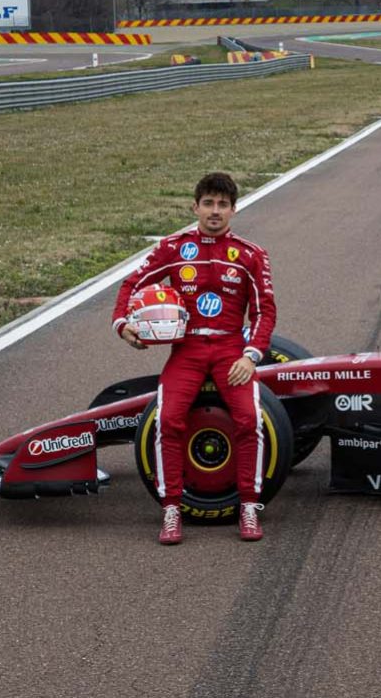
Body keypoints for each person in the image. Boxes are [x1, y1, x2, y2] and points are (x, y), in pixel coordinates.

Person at [113, 172, 277, 545]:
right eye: (208, 203)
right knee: (168, 420)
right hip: (185, 352)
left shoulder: (251, 255)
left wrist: (251, 356)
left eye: (223, 205)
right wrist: (122, 324)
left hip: (231, 350)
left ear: (234, 210)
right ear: (195, 207)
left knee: (249, 419)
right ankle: (171, 509)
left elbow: (265, 312)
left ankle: (249, 507)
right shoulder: (173, 248)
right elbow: (130, 285)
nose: (215, 212)